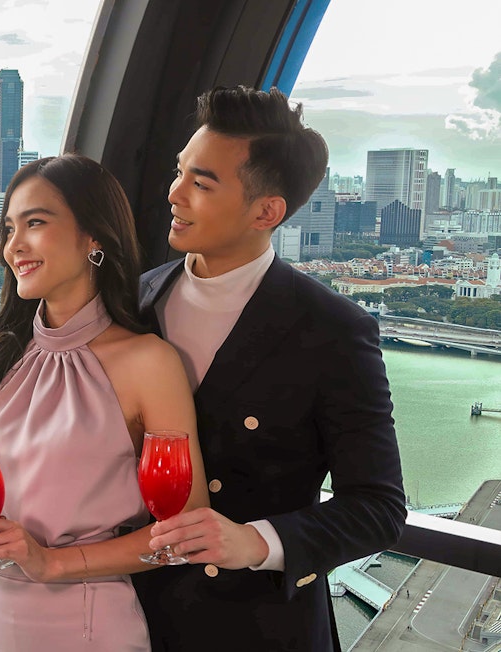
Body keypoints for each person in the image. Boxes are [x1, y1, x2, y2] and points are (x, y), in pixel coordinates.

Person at [134, 86, 406, 650]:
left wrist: (254, 542)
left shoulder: (331, 329)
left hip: (257, 629)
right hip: (128, 615)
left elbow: (378, 507)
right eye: (179, 172)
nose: (174, 193)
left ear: (267, 211)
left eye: (201, 183)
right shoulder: (137, 301)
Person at [0, 154, 208, 651]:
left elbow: (184, 528)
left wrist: (50, 562)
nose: (13, 246)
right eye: (8, 228)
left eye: (36, 223)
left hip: (87, 627)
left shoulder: (147, 362)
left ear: (94, 237)